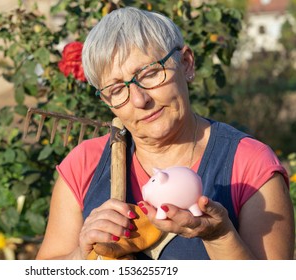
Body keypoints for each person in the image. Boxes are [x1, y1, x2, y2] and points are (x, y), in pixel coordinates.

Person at [36, 7, 295, 260]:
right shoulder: (84, 164)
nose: (139, 100)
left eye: (149, 74)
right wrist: (82, 256)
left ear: (186, 63)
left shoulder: (249, 164)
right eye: (116, 90)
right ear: (106, 101)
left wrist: (219, 236)